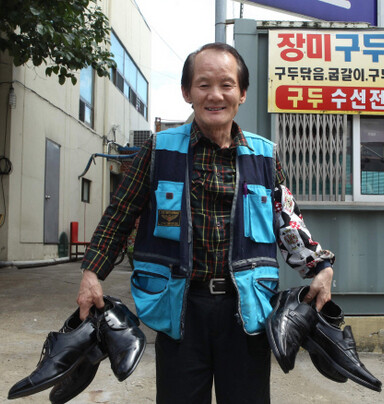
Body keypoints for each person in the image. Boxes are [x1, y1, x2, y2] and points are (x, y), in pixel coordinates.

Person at [77, 42, 335, 404]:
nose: (215, 95)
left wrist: (318, 266)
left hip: (246, 310)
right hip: (180, 308)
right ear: (187, 92)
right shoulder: (159, 150)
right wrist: (92, 274)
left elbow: (286, 220)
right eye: (203, 85)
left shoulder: (264, 155)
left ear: (242, 93)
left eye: (227, 85)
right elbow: (120, 214)